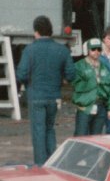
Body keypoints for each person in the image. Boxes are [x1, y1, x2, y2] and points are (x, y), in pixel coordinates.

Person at [16, 15, 76, 166]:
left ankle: (41, 167)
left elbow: (21, 74)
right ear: (50, 31)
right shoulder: (62, 50)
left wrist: (28, 83)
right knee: (50, 129)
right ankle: (52, 165)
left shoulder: (29, 50)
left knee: (38, 132)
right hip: (54, 96)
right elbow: (71, 75)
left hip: (36, 95)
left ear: (36, 32)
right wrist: (61, 79)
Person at [72, 38, 110, 136]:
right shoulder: (78, 66)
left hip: (100, 107)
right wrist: (94, 81)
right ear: (87, 50)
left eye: (99, 49)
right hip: (84, 108)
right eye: (93, 49)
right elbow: (76, 85)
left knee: (96, 139)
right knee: (81, 137)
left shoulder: (104, 67)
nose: (96, 52)